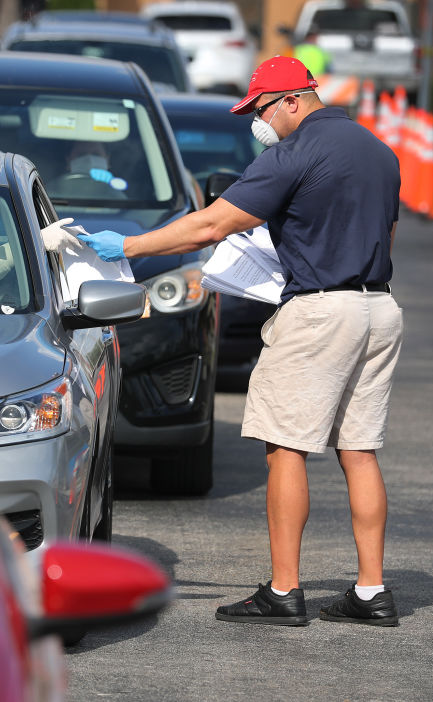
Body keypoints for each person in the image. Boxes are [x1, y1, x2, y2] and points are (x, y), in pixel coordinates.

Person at [77, 56, 403, 627]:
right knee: (359, 449)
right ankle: (372, 591)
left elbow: (209, 225)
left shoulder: (295, 153)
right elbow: (383, 233)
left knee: (284, 447)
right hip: (379, 307)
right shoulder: (379, 151)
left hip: (321, 312)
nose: (259, 122)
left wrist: (127, 247)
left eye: (261, 109)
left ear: (293, 101)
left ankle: (283, 591)